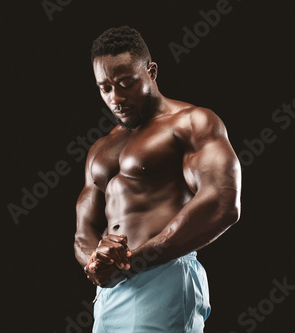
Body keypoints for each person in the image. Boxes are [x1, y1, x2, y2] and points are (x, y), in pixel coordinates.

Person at [74, 26, 242, 332]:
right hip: (110, 291)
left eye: (126, 84)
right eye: (106, 88)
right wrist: (93, 262)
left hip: (163, 275)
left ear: (151, 72)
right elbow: (84, 227)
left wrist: (138, 258)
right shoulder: (100, 149)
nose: (116, 98)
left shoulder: (193, 122)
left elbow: (222, 202)